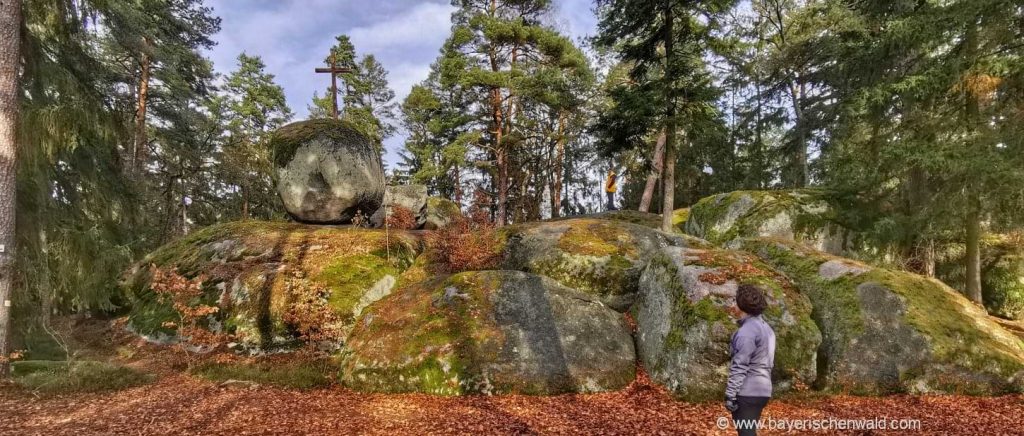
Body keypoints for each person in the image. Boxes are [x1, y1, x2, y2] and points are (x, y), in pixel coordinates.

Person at [724, 284, 776, 436]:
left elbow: (740, 365)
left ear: (742, 305)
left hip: (747, 392)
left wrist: (730, 395)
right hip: (763, 391)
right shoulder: (766, 328)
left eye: (735, 301)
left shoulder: (747, 331)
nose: (733, 305)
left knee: (746, 433)